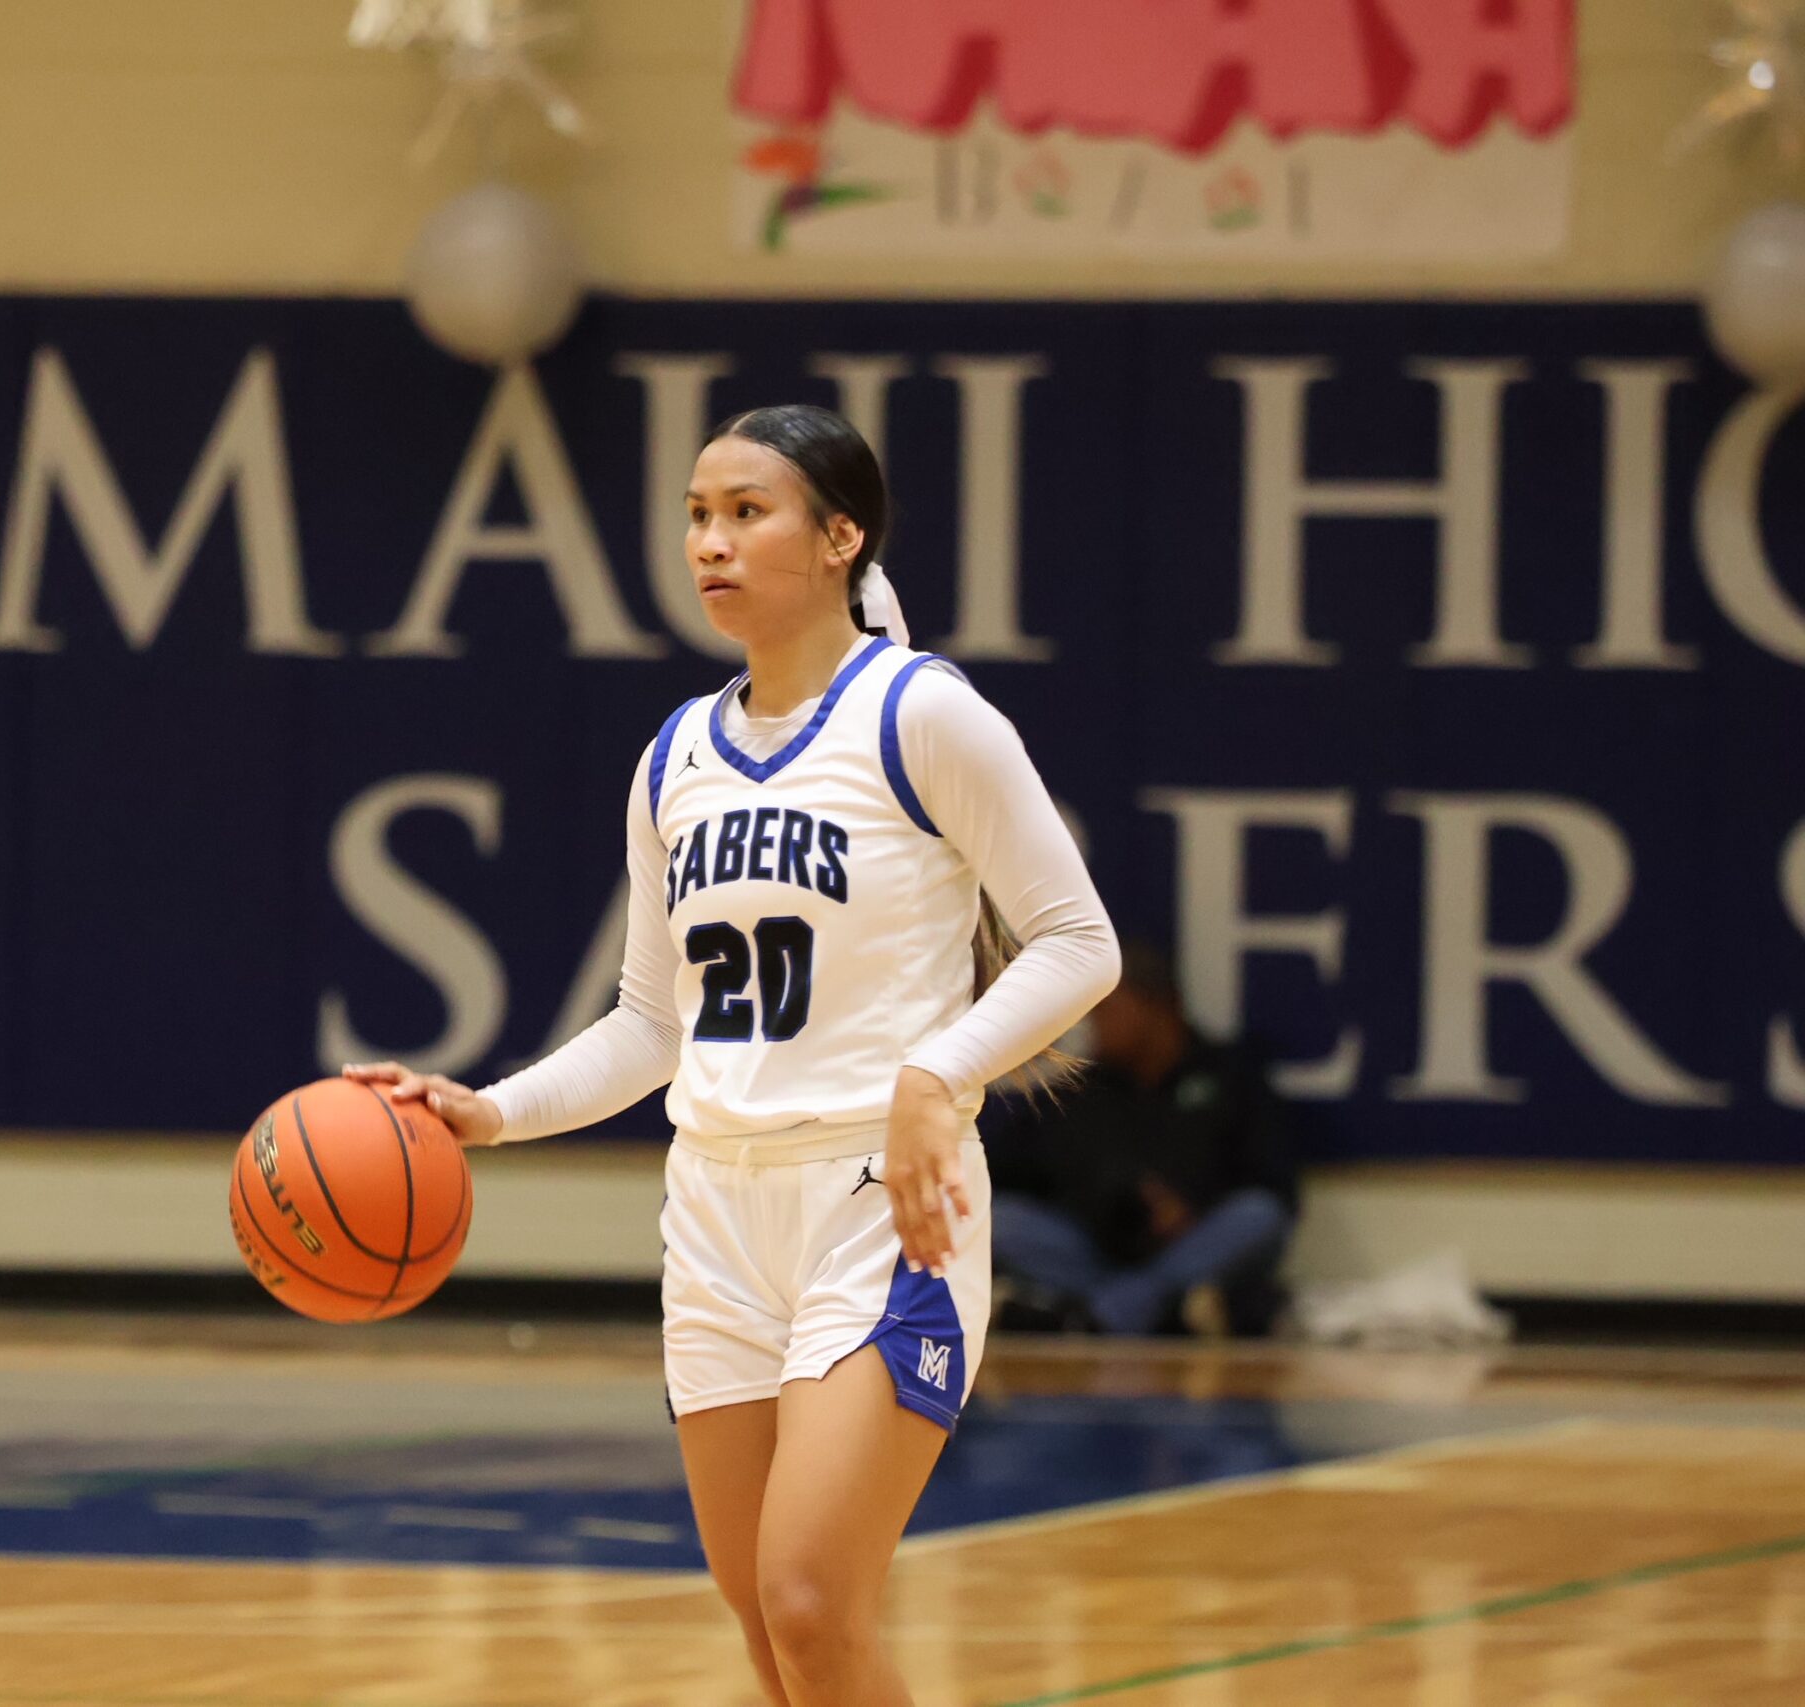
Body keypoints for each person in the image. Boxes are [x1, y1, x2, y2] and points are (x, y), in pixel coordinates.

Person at [347, 403, 1118, 1707]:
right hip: (713, 1208)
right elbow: (653, 1024)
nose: (710, 541)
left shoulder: (921, 714)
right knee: (771, 1634)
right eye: (697, 515)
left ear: (840, 536)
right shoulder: (673, 757)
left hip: (879, 1205)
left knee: (814, 1600)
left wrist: (938, 1075)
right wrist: (486, 1109)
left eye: (746, 512)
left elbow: (1075, 940)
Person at [985, 941, 1298, 1338]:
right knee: (1001, 1219)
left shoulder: (1232, 1076)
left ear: (1157, 1007)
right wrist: (1099, 1202)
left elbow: (1275, 1186)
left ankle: (1096, 1314)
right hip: (1095, 1251)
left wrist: (1188, 1212)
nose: (1093, 1024)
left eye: (1106, 1010)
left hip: (1192, 1247)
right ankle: (1163, 1314)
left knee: (1258, 1215)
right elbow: (1009, 1169)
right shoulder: (1081, 1087)